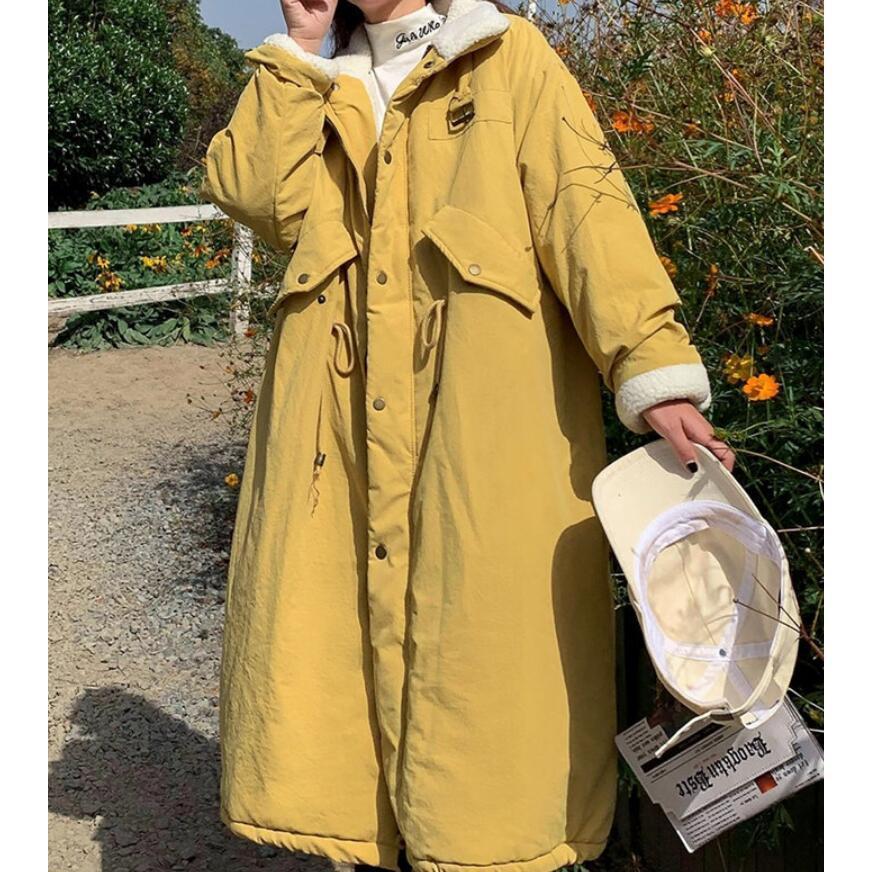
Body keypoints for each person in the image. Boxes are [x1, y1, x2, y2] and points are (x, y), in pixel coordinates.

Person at [201, 2, 736, 872]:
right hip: (335, 441)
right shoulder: (317, 84)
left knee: (487, 667)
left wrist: (655, 370)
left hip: (483, 436)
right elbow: (256, 197)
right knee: (333, 661)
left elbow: (586, 213)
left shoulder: (503, 57)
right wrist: (297, 49)